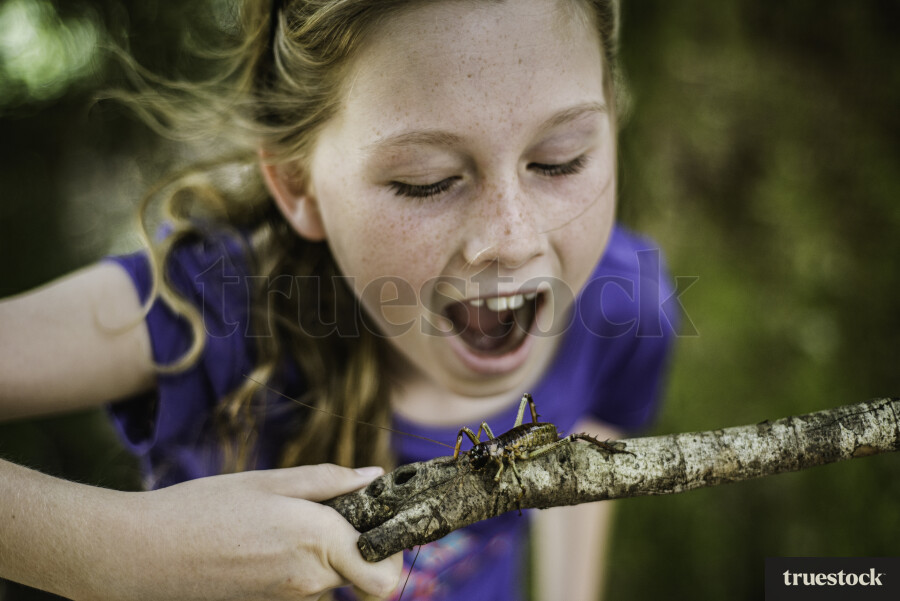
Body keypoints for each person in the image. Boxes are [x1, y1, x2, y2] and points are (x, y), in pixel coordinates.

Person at [0, 0, 678, 599]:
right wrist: (115, 551)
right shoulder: (210, 305)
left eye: (561, 159)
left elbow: (580, 477)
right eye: (427, 180)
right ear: (297, 185)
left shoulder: (624, 305)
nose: (512, 239)